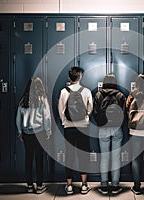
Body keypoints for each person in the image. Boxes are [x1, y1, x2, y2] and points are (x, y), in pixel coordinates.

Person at [58, 66, 93, 195]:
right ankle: (84, 185)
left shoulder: (63, 91)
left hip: (69, 128)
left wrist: (65, 122)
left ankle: (69, 186)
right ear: (80, 76)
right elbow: (90, 109)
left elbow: (61, 110)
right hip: (83, 127)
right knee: (83, 156)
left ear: (69, 77)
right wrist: (85, 117)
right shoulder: (86, 91)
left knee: (70, 156)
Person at [16, 77, 52, 194]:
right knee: (39, 159)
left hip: (27, 134)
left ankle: (30, 185)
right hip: (40, 133)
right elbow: (47, 118)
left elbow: (18, 119)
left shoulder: (23, 100)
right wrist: (48, 132)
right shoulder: (42, 100)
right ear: (40, 87)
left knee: (28, 159)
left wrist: (20, 132)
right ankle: (40, 186)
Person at [93, 74, 126, 195]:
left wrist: (101, 123)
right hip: (117, 128)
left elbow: (95, 112)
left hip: (103, 128)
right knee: (116, 157)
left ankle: (104, 184)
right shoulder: (120, 95)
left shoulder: (98, 94)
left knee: (105, 157)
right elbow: (124, 112)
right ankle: (116, 184)